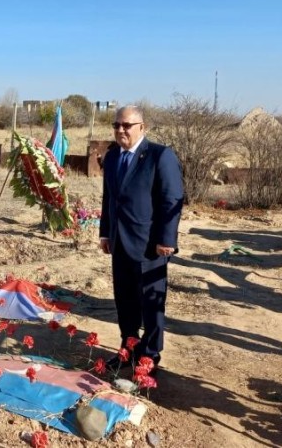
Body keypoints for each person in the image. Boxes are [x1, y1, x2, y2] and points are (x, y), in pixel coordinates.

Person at [99, 105, 184, 374]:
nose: (121, 130)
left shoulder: (160, 156)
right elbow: (109, 198)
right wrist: (105, 232)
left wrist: (166, 238)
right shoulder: (113, 157)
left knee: (151, 301)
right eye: (116, 125)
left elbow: (171, 199)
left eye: (126, 125)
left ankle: (149, 356)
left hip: (151, 245)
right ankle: (128, 348)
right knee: (124, 300)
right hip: (120, 242)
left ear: (142, 127)